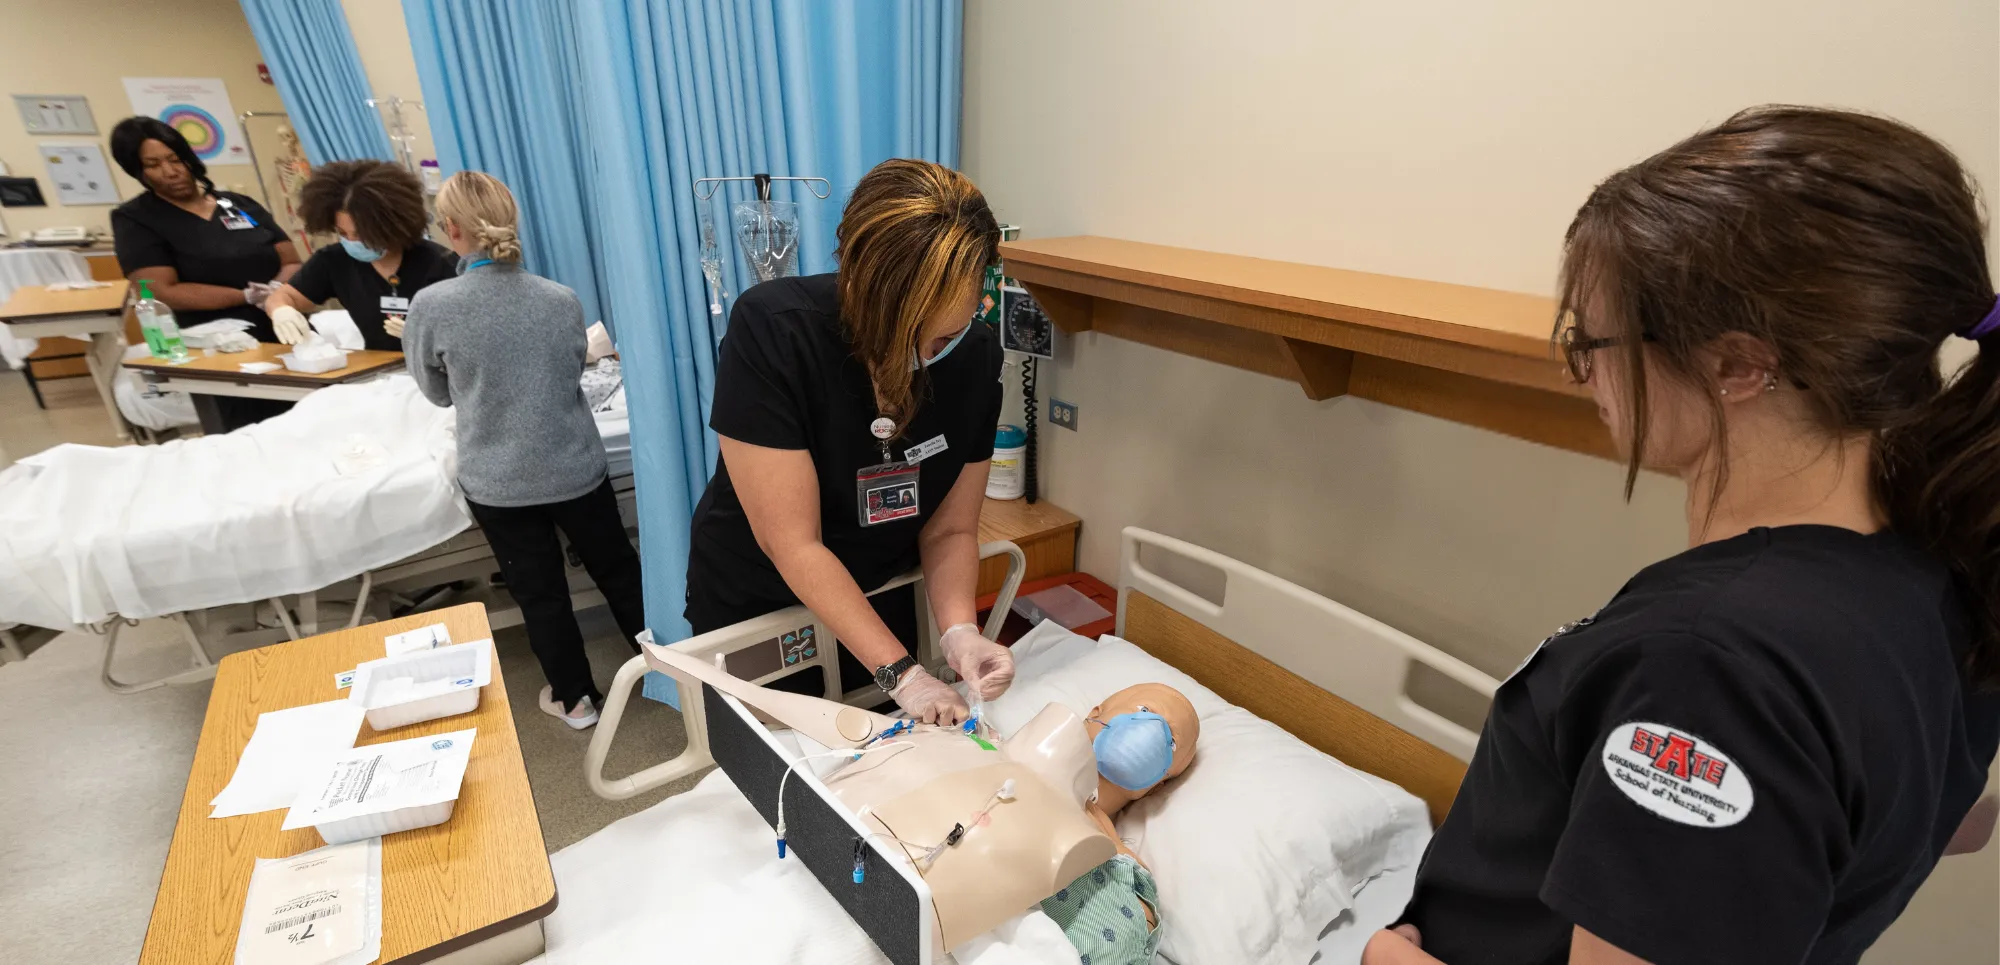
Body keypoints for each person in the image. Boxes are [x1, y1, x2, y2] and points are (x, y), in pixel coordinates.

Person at [1365, 107, 2000, 965]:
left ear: (1738, 363)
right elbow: (1944, 814)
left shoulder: (1710, 669)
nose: (1576, 368)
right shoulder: (1942, 567)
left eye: (1591, 338)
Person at [685, 158, 1016, 725]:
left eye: (948, 333)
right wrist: (904, 675)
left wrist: (960, 630)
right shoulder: (774, 331)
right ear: (860, 288)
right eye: (914, 334)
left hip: (880, 597)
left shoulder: (975, 357)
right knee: (782, 765)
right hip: (764, 600)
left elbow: (952, 528)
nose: (932, 356)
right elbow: (794, 545)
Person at [403, 171, 645, 729]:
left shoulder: (432, 305)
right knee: (619, 570)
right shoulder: (560, 299)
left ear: (453, 229)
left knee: (540, 593)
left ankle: (576, 699)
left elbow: (437, 393)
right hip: (576, 467)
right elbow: (569, 373)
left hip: (501, 480)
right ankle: (663, 670)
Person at [266, 160, 456, 352]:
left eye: (361, 234)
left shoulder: (440, 263)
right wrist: (281, 310)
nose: (352, 241)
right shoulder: (334, 261)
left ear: (391, 226)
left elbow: (470, 333)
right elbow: (284, 296)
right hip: (379, 370)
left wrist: (424, 337)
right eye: (342, 233)